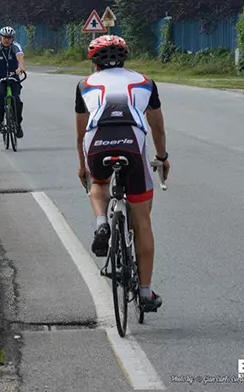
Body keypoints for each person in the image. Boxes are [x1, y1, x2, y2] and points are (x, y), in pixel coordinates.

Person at [74, 35, 170, 313]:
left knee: (100, 183)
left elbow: (81, 133)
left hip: (97, 144)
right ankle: (144, 292)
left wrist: (83, 167)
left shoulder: (84, 85)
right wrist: (162, 158)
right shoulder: (145, 82)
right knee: (142, 222)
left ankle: (102, 223)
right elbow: (158, 129)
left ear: (94, 63)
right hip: (132, 143)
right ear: (126, 58)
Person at [0, 26, 26, 138]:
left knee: (16, 100)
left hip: (13, 76)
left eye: (9, 38)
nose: (7, 40)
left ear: (13, 38)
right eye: (5, 37)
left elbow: (20, 59)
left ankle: (17, 124)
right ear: (1, 37)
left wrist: (21, 68)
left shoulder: (16, 47)